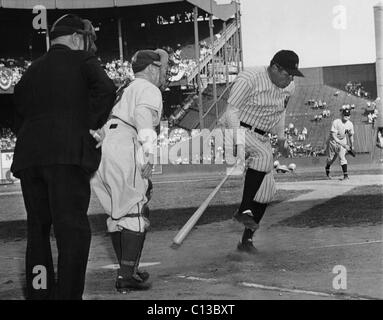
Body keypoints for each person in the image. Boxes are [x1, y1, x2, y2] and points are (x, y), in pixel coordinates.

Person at [11, 14, 116, 300]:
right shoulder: (83, 60)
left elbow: (14, 106)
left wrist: (35, 134)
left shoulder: (32, 69)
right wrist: (89, 125)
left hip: (30, 159)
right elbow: (107, 89)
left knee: (38, 230)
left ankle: (41, 295)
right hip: (67, 157)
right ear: (75, 38)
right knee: (72, 232)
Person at [91, 49, 169, 291]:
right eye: (160, 68)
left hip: (102, 147)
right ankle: (126, 275)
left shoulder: (123, 89)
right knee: (135, 209)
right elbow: (142, 116)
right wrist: (148, 152)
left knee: (117, 213)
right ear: (151, 68)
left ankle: (129, 270)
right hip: (125, 143)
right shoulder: (147, 88)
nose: (162, 74)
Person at [224, 50, 304, 253]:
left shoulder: (289, 87)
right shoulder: (249, 77)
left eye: (293, 74)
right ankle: (243, 209)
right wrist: (239, 144)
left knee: (267, 192)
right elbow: (230, 112)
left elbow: (280, 113)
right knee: (264, 155)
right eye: (287, 73)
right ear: (275, 68)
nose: (290, 79)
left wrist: (282, 138)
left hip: (261, 136)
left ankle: (246, 241)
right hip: (238, 128)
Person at [325, 106, 355, 180]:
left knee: (342, 157)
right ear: (342, 115)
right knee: (330, 159)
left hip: (342, 140)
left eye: (348, 115)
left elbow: (350, 136)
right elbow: (334, 136)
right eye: (345, 115)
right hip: (332, 142)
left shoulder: (350, 124)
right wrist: (344, 145)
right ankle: (327, 167)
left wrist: (352, 146)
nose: (346, 116)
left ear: (350, 116)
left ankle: (345, 175)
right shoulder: (336, 122)